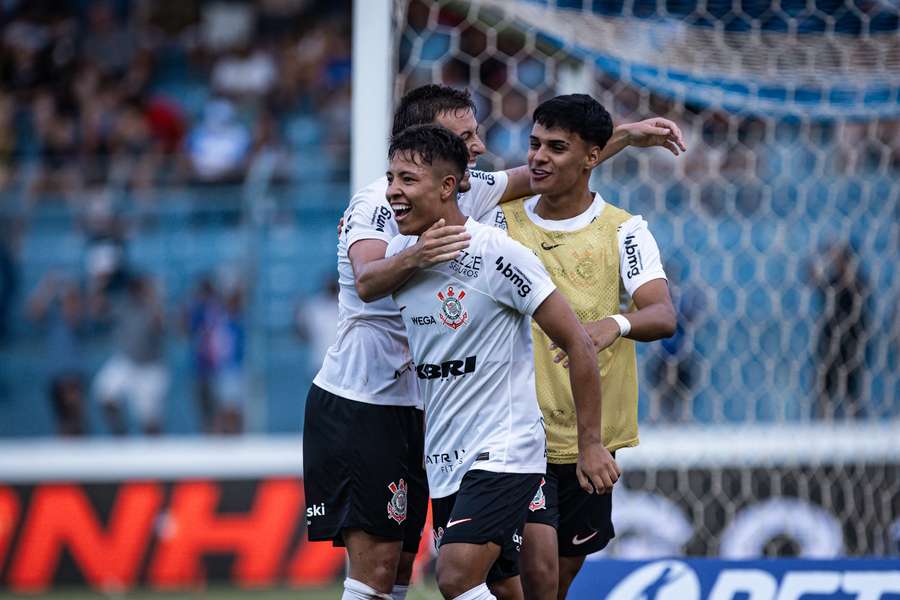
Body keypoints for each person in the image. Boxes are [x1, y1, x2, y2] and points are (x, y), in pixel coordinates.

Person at [303, 83, 683, 600]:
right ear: (431, 149)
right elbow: (369, 278)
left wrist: (625, 135)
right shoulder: (384, 206)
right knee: (391, 574)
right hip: (368, 403)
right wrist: (417, 254)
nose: (479, 145)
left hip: (447, 419)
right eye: (465, 135)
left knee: (436, 573)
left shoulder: (472, 211)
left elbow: (550, 168)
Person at [384, 124, 619, 600]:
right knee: (506, 588)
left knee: (454, 577)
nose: (392, 192)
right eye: (390, 179)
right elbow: (363, 281)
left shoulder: (499, 256)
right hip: (445, 453)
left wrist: (591, 443)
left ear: (448, 186)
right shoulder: (398, 257)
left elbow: (577, 342)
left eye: (406, 180)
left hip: (504, 448)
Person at [491, 95, 679, 600]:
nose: (538, 157)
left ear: (592, 157)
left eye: (556, 147)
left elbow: (662, 314)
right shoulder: (501, 223)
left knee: (555, 584)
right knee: (537, 575)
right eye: (534, 144)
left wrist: (613, 324)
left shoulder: (624, 230)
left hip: (589, 440)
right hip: (516, 434)